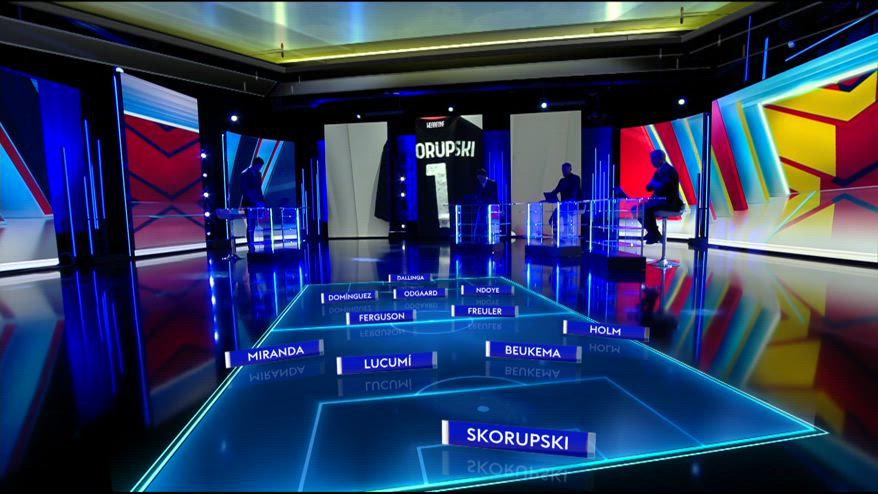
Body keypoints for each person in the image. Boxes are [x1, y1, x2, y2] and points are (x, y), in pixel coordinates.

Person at [636, 149, 684, 244]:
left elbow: (663, 187)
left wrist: (656, 184)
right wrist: (656, 184)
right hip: (659, 201)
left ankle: (654, 234)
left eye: (654, 159)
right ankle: (654, 233)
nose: (652, 162)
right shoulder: (657, 172)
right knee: (636, 209)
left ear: (661, 159)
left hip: (670, 202)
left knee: (647, 208)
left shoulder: (670, 171)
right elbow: (648, 187)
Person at [240, 157, 268, 250]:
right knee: (251, 225)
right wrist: (255, 202)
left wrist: (262, 202)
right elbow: (245, 191)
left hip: (258, 204)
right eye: (259, 166)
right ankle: (251, 245)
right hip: (249, 204)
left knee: (257, 224)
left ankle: (259, 244)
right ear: (255, 164)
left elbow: (259, 189)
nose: (260, 169)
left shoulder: (258, 174)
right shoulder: (245, 174)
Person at [545, 162, 581, 233]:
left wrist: (570, 201)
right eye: (563, 170)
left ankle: (567, 232)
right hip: (563, 205)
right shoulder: (562, 181)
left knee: (563, 218)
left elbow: (576, 192)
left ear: (570, 169)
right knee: (552, 220)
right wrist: (547, 198)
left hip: (572, 204)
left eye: (565, 170)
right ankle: (558, 233)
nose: (563, 172)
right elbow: (555, 191)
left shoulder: (575, 178)